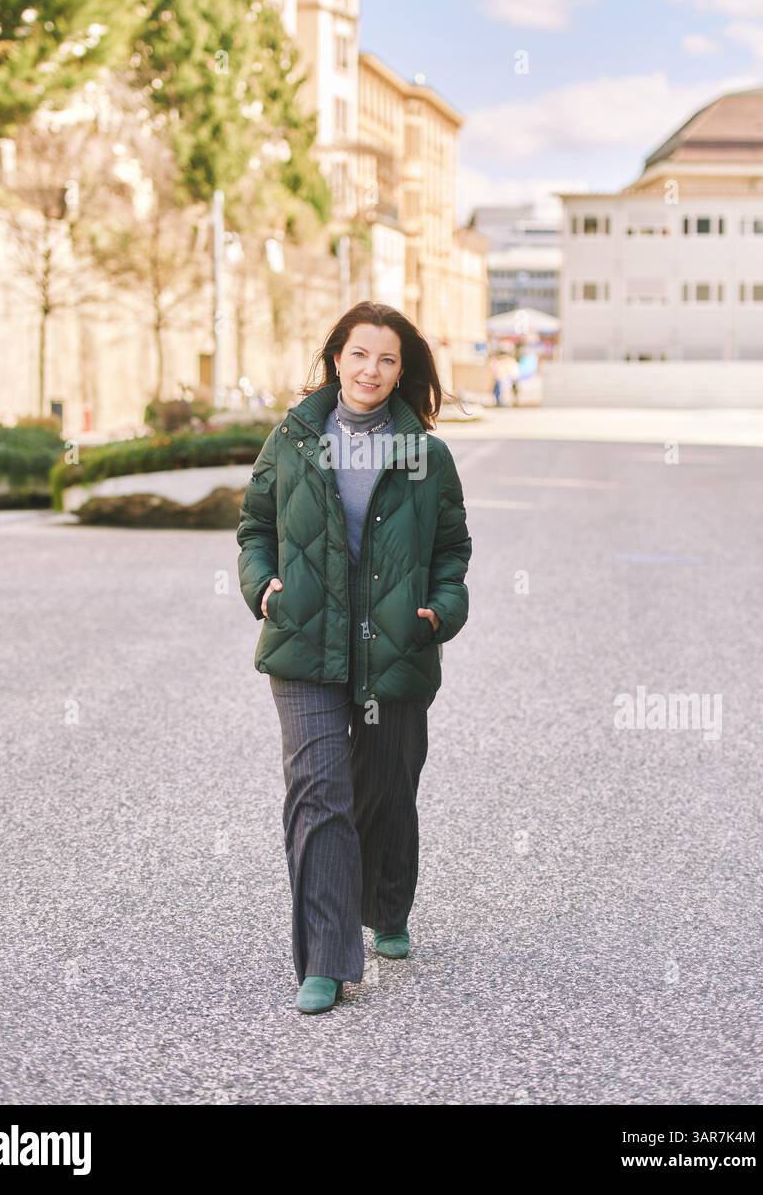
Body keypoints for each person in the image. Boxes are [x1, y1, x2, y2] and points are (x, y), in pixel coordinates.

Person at [236, 300, 472, 1014]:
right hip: (305, 639)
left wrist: (440, 611)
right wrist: (263, 586)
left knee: (386, 789)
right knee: (319, 794)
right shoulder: (293, 437)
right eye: (360, 354)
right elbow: (255, 526)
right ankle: (326, 959)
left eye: (388, 358)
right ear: (337, 356)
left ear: (403, 371)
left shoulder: (425, 454)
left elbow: (452, 549)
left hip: (395, 644)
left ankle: (387, 904)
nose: (372, 369)